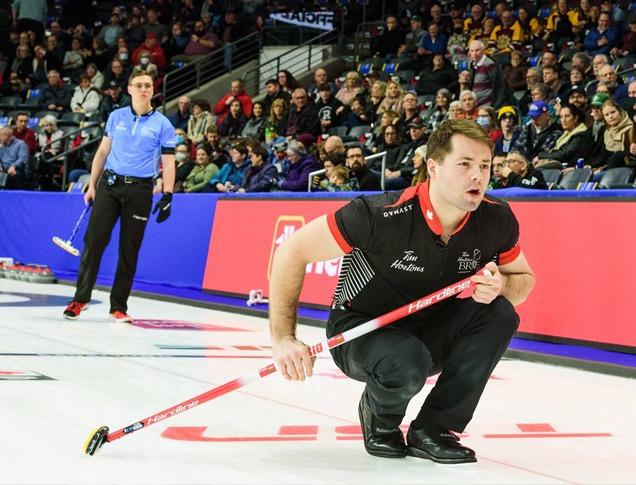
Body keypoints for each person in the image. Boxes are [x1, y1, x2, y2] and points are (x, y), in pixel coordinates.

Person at [269, 119, 535, 463]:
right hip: (362, 330)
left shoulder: (496, 219)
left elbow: (524, 281)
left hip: (433, 329)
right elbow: (293, 251)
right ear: (434, 168)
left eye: (484, 166)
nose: (478, 176)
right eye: (465, 164)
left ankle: (435, 428)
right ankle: (378, 418)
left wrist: (502, 285)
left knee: (499, 313)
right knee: (407, 362)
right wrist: (284, 338)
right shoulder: (379, 214)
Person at [62, 71, 176, 323]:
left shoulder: (163, 124)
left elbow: (168, 162)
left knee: (129, 249)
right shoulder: (116, 116)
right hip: (110, 186)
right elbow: (102, 152)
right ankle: (80, 299)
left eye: (148, 85)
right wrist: (92, 185)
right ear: (130, 88)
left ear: (152, 89)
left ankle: (118, 306)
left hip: (140, 190)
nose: (144, 89)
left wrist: (168, 194)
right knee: (94, 243)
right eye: (139, 85)